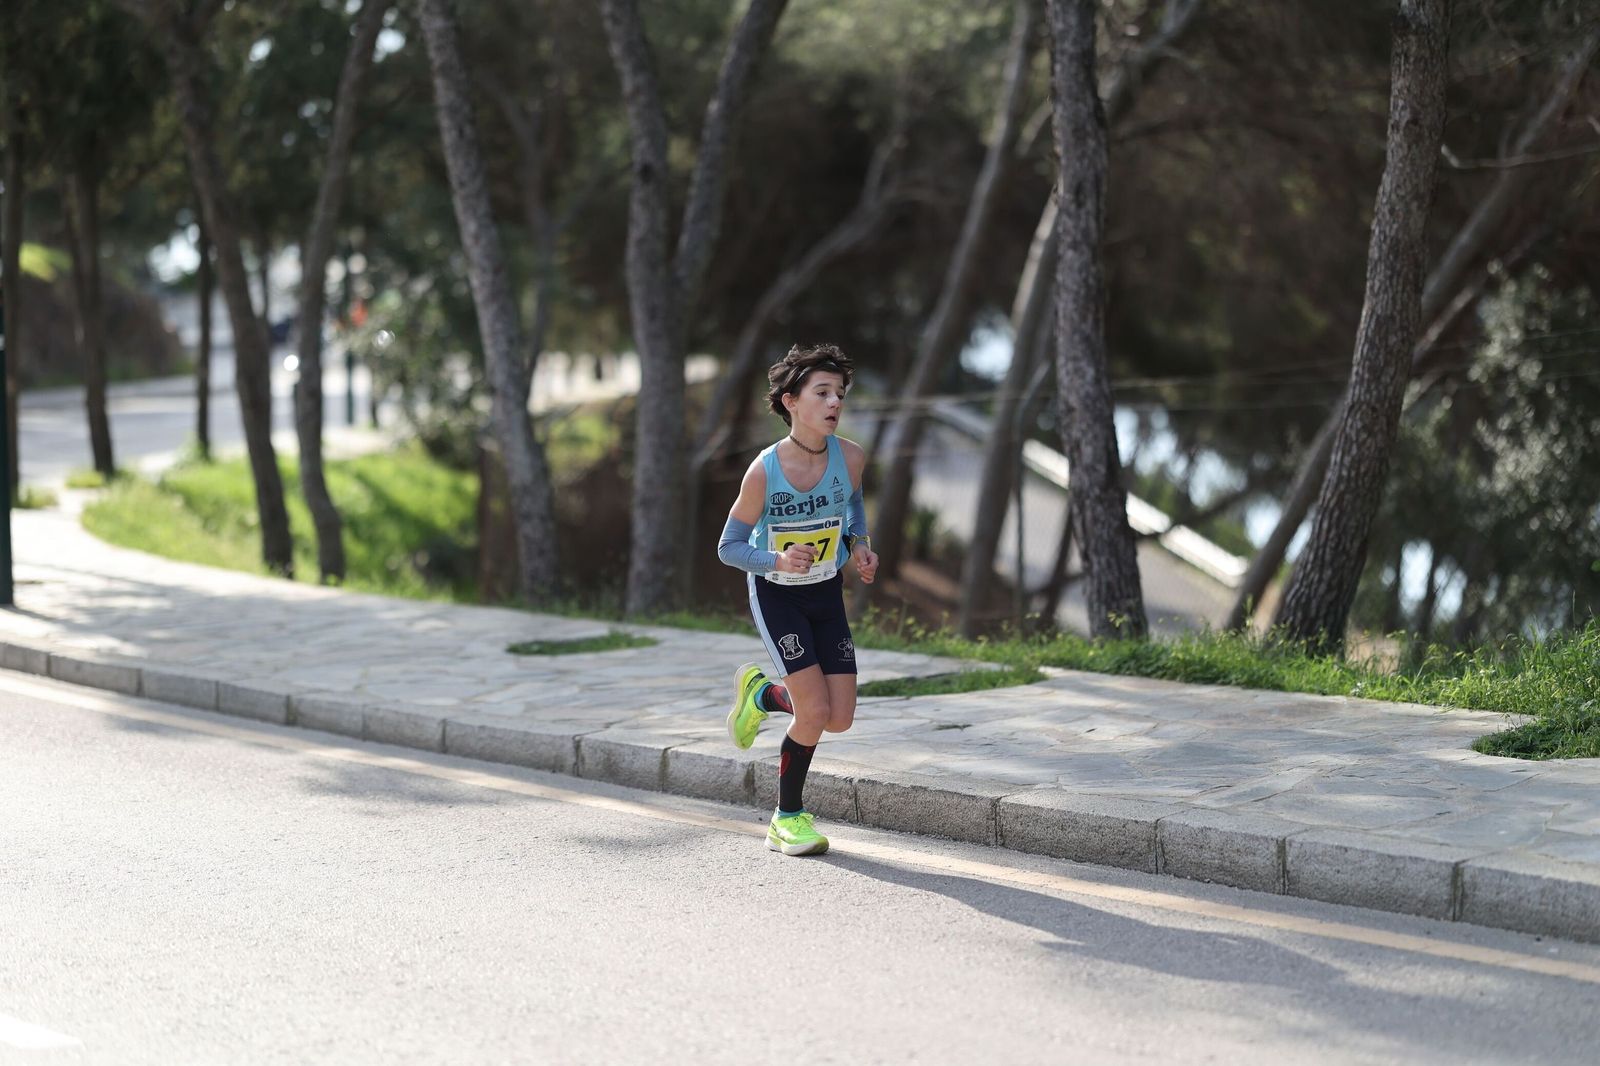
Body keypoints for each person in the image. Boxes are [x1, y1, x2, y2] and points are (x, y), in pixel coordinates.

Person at [717, 343, 879, 856]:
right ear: (791, 401)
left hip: (826, 592)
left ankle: (764, 696)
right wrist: (777, 561)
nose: (835, 403)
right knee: (813, 711)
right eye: (822, 393)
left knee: (839, 716)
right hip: (778, 596)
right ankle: (786, 819)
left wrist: (859, 544)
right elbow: (728, 548)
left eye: (840, 394)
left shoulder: (850, 457)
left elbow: (853, 503)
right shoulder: (764, 471)